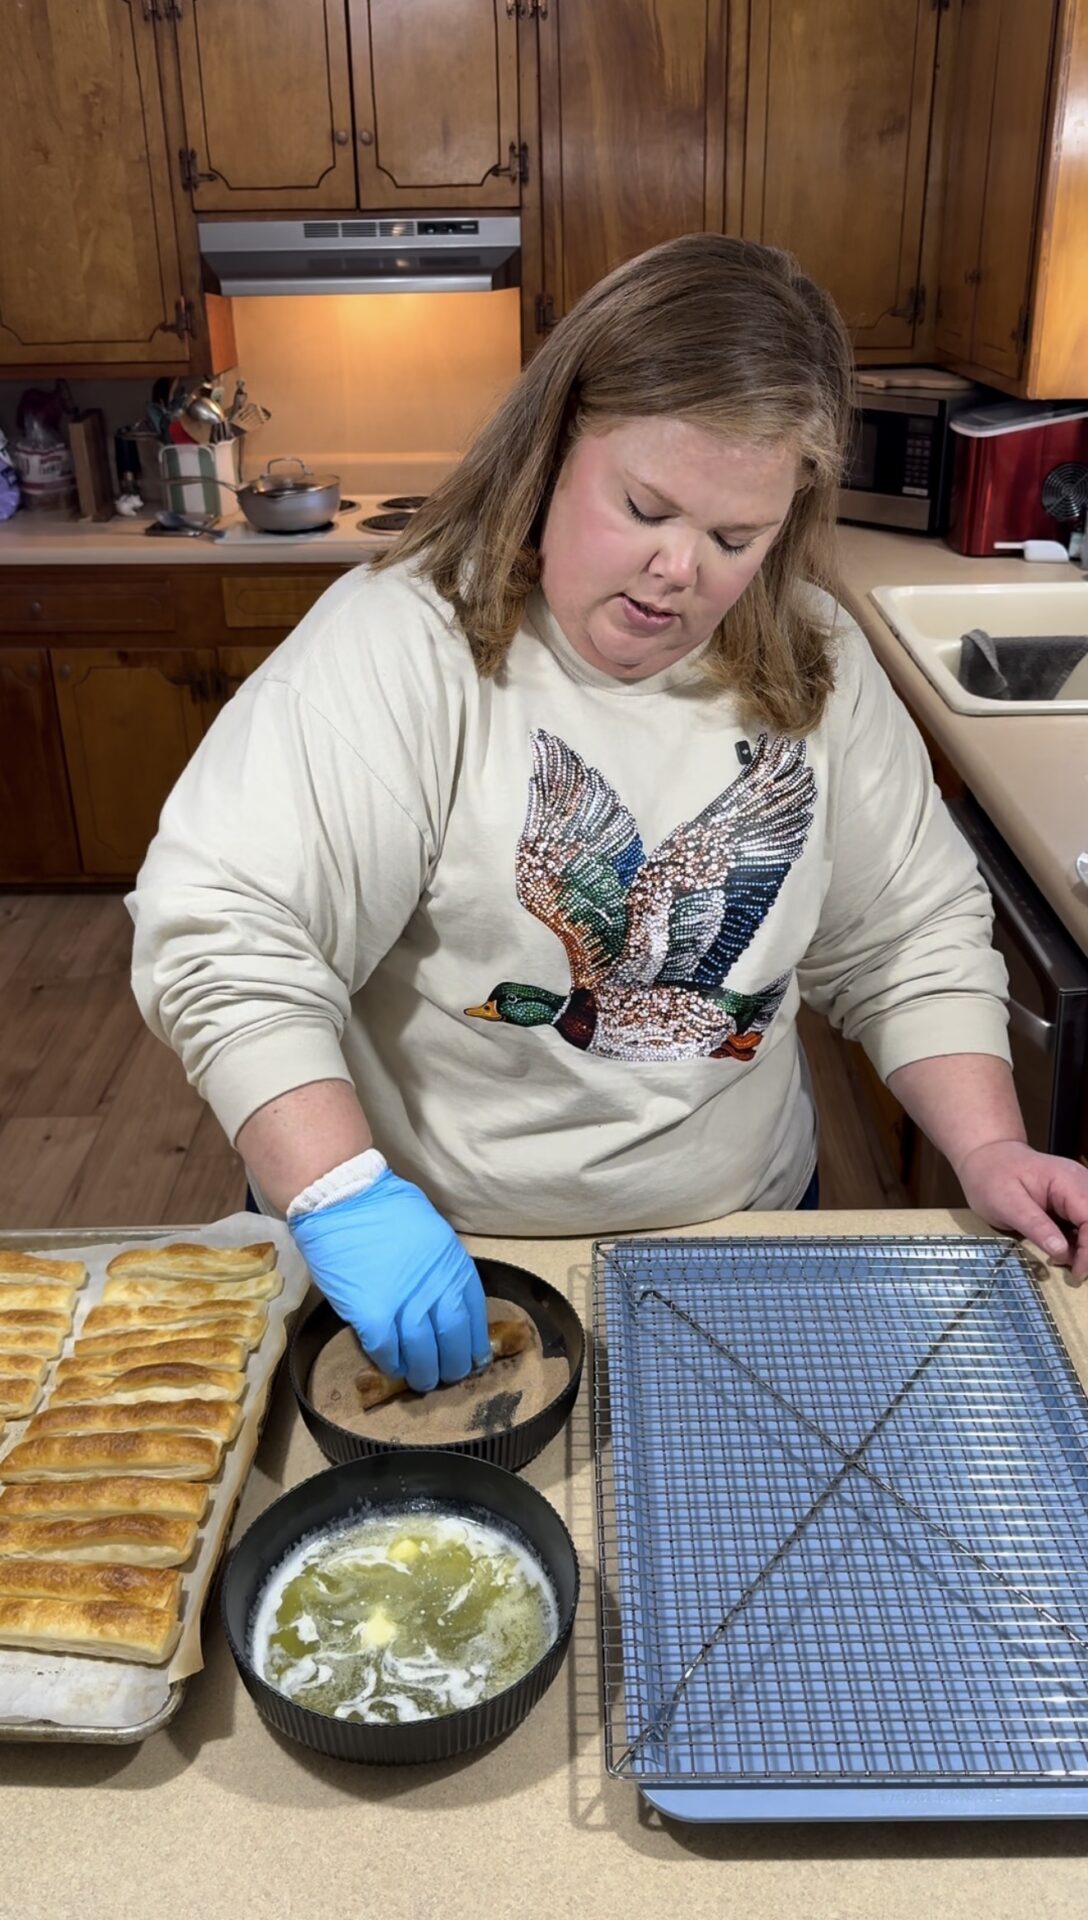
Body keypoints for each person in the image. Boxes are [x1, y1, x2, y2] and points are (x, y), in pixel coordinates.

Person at [128, 234, 1088, 1395]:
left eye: (736, 538)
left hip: (735, 1237)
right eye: (643, 506)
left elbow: (907, 938)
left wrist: (986, 1144)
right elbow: (228, 929)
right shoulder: (399, 645)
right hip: (442, 1249)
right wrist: (338, 1194)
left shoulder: (814, 667)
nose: (678, 569)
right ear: (551, 451)